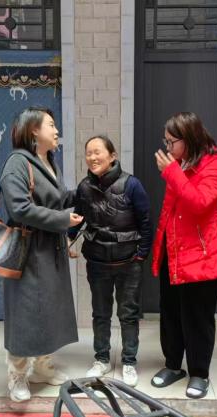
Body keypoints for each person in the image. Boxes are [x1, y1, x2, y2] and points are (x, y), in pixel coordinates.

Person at [0, 106, 82, 402]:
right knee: (25, 313)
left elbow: (57, 199)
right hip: (28, 251)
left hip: (50, 249)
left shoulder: (48, 161)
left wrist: (85, 191)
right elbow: (19, 208)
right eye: (51, 125)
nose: (57, 131)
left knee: (49, 309)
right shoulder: (17, 163)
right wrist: (62, 220)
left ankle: (42, 367)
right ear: (33, 129)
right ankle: (17, 374)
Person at [149, 112, 217, 399]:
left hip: (201, 256)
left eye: (171, 142)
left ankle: (199, 374)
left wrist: (172, 172)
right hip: (173, 252)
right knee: (170, 314)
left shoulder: (214, 165)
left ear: (189, 139)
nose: (168, 148)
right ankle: (173, 365)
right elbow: (170, 212)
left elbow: (200, 204)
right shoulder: (181, 164)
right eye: (166, 142)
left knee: (197, 318)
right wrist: (159, 249)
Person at [69, 135, 151, 387]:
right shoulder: (84, 187)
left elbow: (146, 222)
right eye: (88, 153)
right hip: (97, 262)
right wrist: (68, 239)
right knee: (100, 314)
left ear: (112, 156)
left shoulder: (132, 184)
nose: (92, 157)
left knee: (128, 314)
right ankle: (101, 359)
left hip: (129, 262)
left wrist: (141, 254)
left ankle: (129, 361)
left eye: (97, 152)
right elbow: (78, 218)